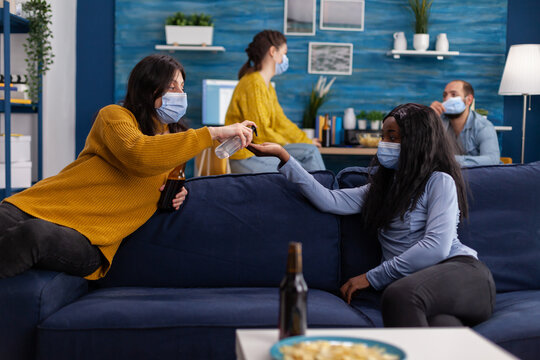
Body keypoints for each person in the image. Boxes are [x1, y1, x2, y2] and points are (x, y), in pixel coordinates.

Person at [0, 54, 255, 280]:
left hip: (90, 241)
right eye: (171, 86)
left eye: (182, 87)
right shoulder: (114, 116)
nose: (180, 93)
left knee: (34, 235)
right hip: (37, 205)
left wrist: (178, 193)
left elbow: (156, 175)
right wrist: (210, 133)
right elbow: (138, 153)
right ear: (147, 89)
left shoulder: (179, 145)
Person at [248, 103, 495, 327]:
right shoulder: (380, 189)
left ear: (415, 141)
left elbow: (436, 247)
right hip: (423, 291)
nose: (383, 143)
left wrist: (371, 277)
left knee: (398, 294)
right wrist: (284, 157)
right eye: (382, 136)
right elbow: (328, 199)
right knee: (442, 327)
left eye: (392, 137)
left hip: (464, 275)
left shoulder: (439, 181)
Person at [224, 29, 325, 173]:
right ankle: (324, 195)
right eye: (284, 54)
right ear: (273, 51)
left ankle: (322, 193)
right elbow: (261, 134)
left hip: (257, 153)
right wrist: (291, 143)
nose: (284, 59)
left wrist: (305, 140)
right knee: (306, 161)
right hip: (245, 157)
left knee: (309, 152)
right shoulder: (253, 83)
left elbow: (280, 122)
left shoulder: (266, 85)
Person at [430, 80, 500, 166]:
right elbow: (420, 150)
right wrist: (429, 117)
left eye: (453, 95)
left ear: (468, 100)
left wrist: (450, 159)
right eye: (445, 95)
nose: (447, 99)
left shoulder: (484, 127)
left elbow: (492, 160)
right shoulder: (438, 121)